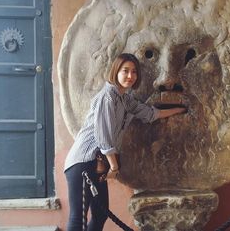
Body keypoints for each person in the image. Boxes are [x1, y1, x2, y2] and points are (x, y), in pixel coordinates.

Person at [64, 53, 186, 231]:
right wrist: (114, 168)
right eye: (125, 71)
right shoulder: (107, 97)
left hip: (97, 163)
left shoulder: (124, 99)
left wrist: (180, 109)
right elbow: (103, 138)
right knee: (78, 218)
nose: (130, 76)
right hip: (83, 162)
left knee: (100, 214)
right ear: (116, 71)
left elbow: (150, 113)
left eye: (134, 72)